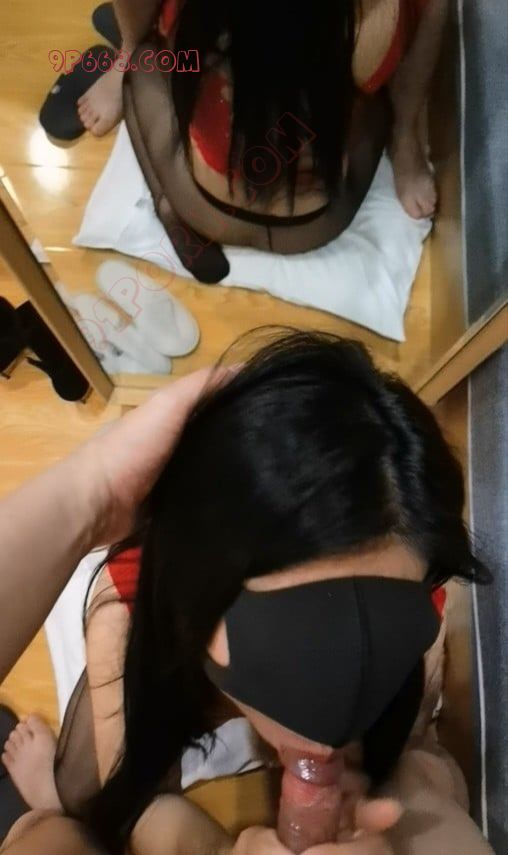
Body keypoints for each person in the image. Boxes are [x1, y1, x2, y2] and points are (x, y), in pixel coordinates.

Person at [0, 330, 495, 855]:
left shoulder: (417, 602)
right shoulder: (127, 614)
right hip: (169, 670)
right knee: (81, 802)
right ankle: (49, 807)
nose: (325, 731)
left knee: (417, 767)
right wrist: (92, 491)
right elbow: (142, 806)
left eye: (382, 644)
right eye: (290, 647)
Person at [76, 1, 447, 282]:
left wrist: (134, 45)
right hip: (317, 221)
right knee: (374, 100)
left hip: (204, 205)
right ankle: (406, 140)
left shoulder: (191, 14)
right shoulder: (383, 17)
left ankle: (167, 204)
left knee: (144, 60)